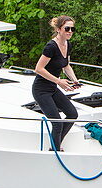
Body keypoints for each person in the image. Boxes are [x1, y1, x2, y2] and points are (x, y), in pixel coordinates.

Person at [33, 15, 82, 151]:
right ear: (59, 29)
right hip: (41, 89)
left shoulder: (68, 44)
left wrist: (75, 80)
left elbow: (66, 65)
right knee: (57, 122)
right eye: (67, 28)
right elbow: (38, 69)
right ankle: (55, 150)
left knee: (72, 114)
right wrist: (58, 81)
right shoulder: (51, 46)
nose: (70, 31)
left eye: (73, 29)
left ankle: (56, 144)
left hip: (52, 88)